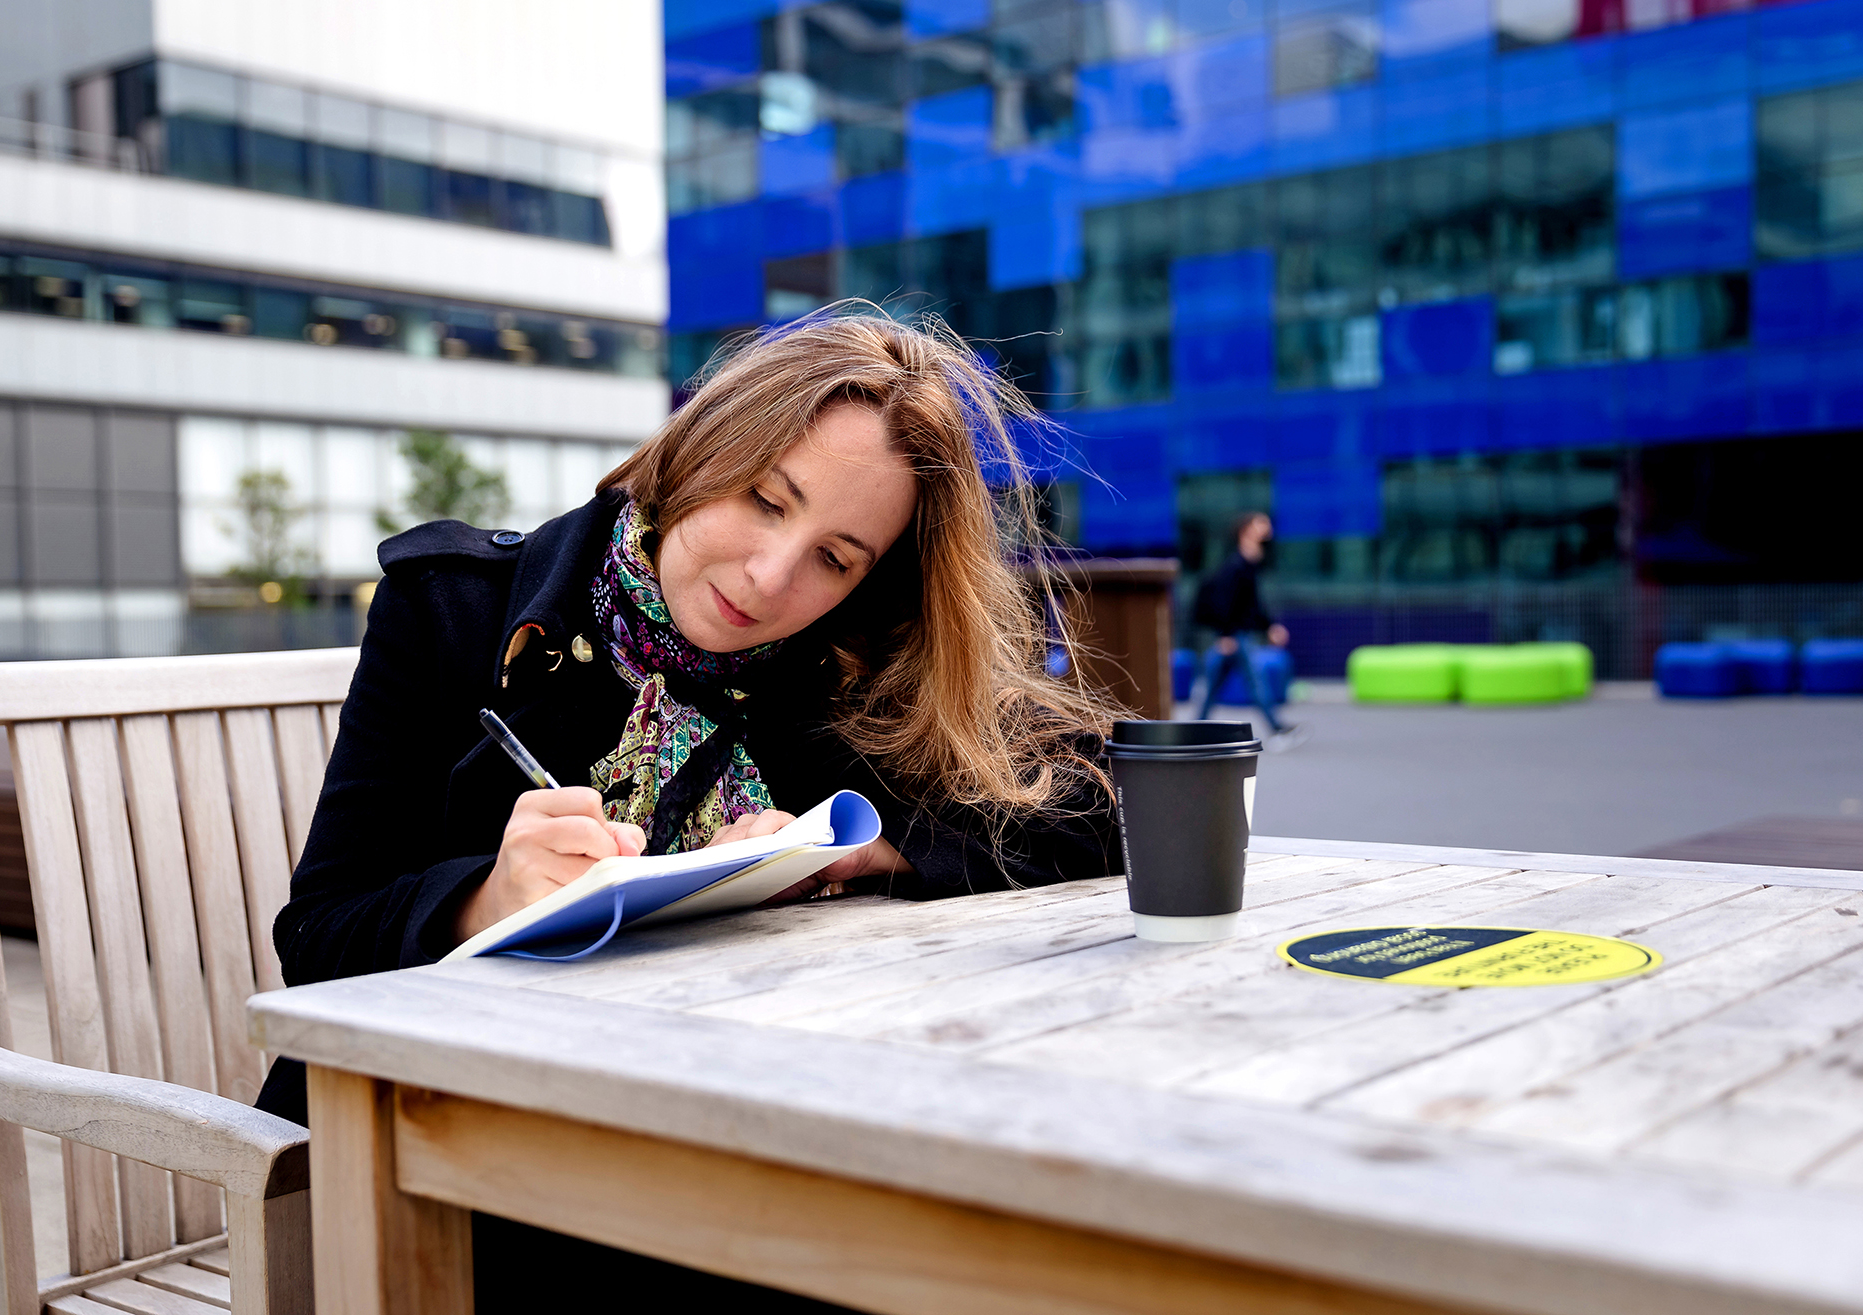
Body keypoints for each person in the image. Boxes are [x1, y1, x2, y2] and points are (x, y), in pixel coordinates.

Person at [254, 309, 1122, 1308]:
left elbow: (1104, 800)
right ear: (703, 445)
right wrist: (488, 900)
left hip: (696, 1156)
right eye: (764, 499)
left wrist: (869, 851)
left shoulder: (835, 672)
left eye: (835, 557)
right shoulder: (456, 611)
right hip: (426, 1178)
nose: (769, 577)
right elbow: (318, 936)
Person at [1192, 511, 1296, 738]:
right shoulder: (1236, 565)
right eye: (1261, 523)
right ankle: (1276, 728)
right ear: (1246, 530)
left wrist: (1268, 627)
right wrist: (1226, 634)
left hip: (1239, 633)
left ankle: (1195, 729)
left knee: (1214, 684)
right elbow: (1226, 602)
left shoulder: (1250, 562)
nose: (1267, 527)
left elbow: (1252, 603)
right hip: (1236, 635)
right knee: (1255, 682)